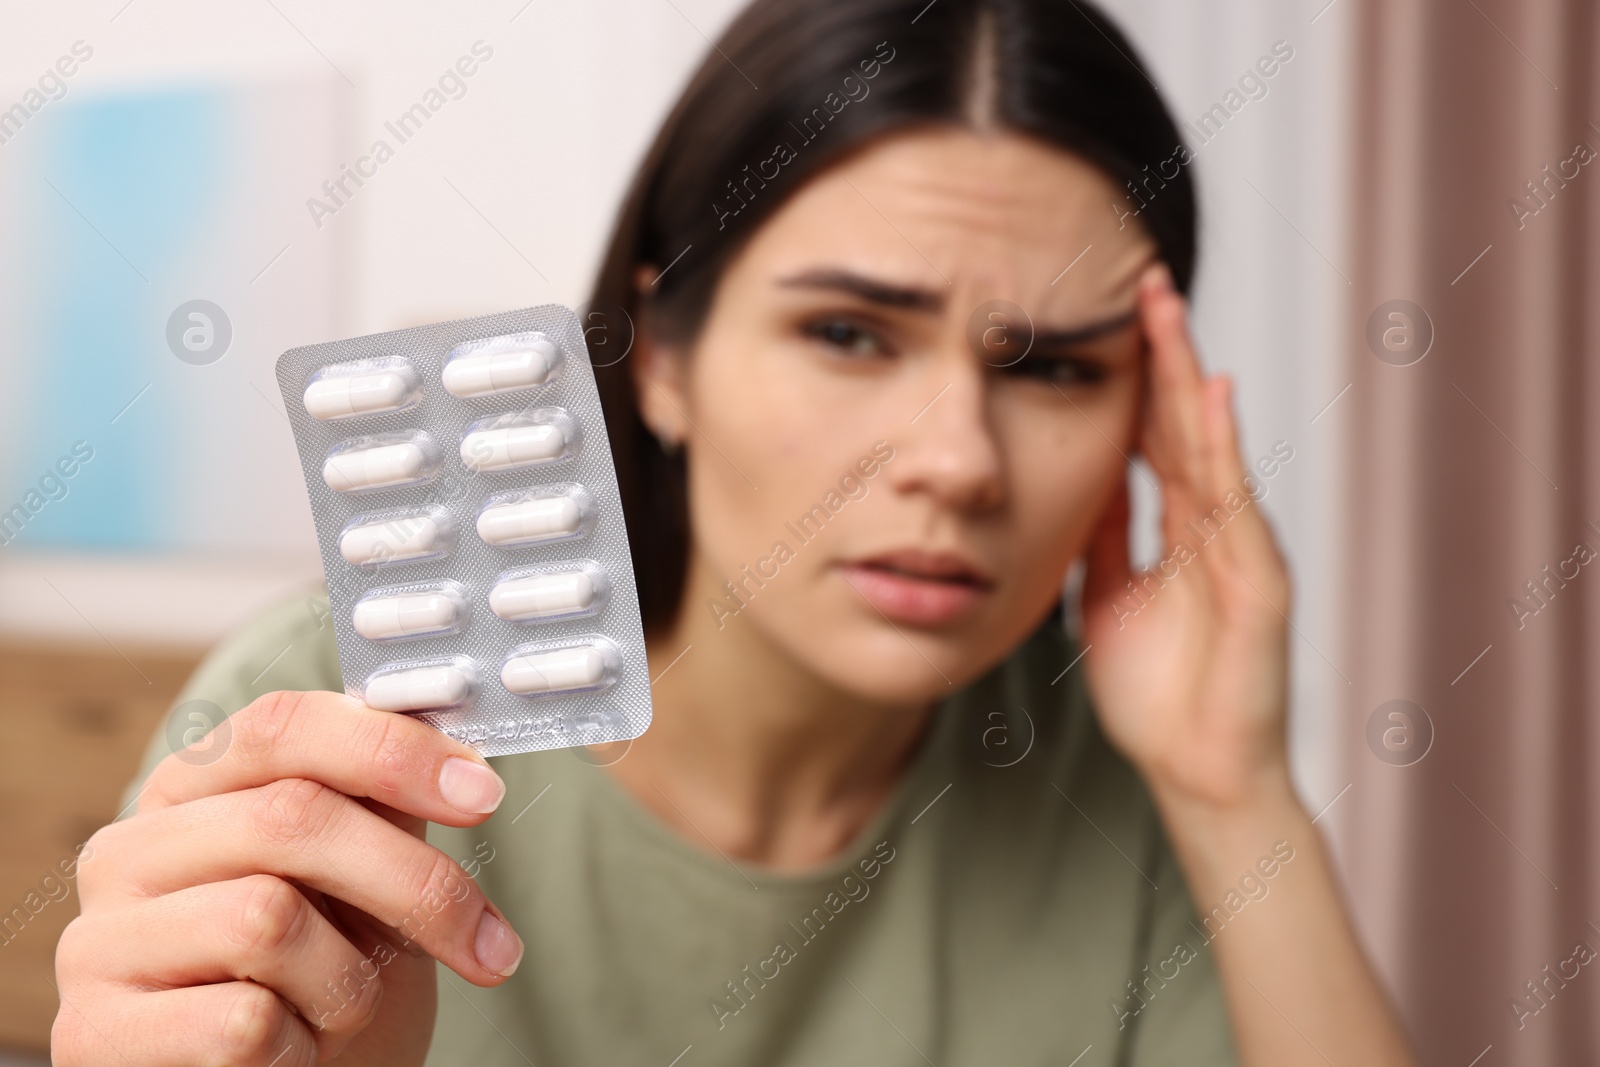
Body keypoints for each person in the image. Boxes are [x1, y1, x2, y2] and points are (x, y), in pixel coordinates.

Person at [52, 0, 1418, 1064]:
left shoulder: (1124, 791)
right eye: (846, 333)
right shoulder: (334, 723)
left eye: (1053, 366)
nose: (954, 461)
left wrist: (1234, 790)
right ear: (660, 359)